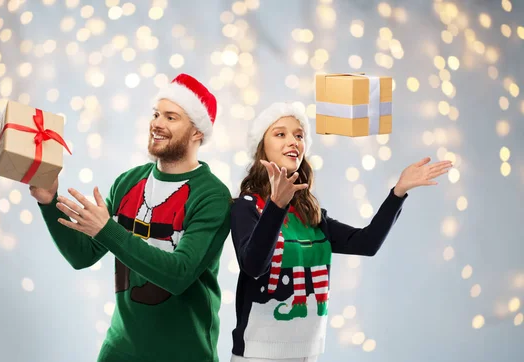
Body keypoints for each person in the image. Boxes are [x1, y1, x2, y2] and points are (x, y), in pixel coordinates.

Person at [30, 73, 231, 362]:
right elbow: (81, 255)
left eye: (171, 117)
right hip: (119, 351)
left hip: (184, 354)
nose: (157, 123)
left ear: (197, 132)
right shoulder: (128, 183)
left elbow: (179, 275)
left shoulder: (212, 196)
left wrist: (108, 230)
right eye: (156, 114)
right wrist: (48, 202)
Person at [229, 102, 452, 361]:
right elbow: (254, 266)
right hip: (257, 355)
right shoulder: (246, 207)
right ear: (261, 150)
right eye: (280, 134)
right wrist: (276, 207)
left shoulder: (310, 213)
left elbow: (367, 243)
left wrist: (398, 192)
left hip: (308, 353)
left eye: (299, 135)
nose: (293, 141)